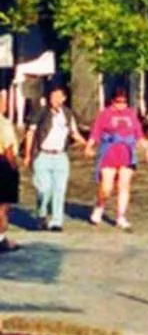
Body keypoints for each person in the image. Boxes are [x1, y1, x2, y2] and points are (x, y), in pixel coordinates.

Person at [89, 80, 148, 229]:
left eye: (124, 102)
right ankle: (100, 205)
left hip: (127, 153)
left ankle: (121, 216)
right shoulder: (105, 114)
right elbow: (96, 132)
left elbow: (139, 133)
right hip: (109, 152)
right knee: (106, 187)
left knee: (124, 185)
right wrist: (89, 146)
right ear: (112, 101)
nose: (121, 105)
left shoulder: (131, 114)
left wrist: (147, 151)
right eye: (118, 102)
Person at [26, 86, 74, 231]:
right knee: (44, 189)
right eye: (53, 97)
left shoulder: (67, 113)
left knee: (59, 190)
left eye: (58, 97)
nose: (55, 100)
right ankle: (41, 213)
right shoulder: (41, 112)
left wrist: (87, 144)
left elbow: (74, 132)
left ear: (64, 98)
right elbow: (30, 133)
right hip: (43, 155)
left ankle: (56, 222)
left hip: (60, 156)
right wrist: (28, 154)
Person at [0, 104, 19, 251]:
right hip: (2, 164)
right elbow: (8, 149)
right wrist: (13, 167)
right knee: (2, 205)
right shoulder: (4, 124)